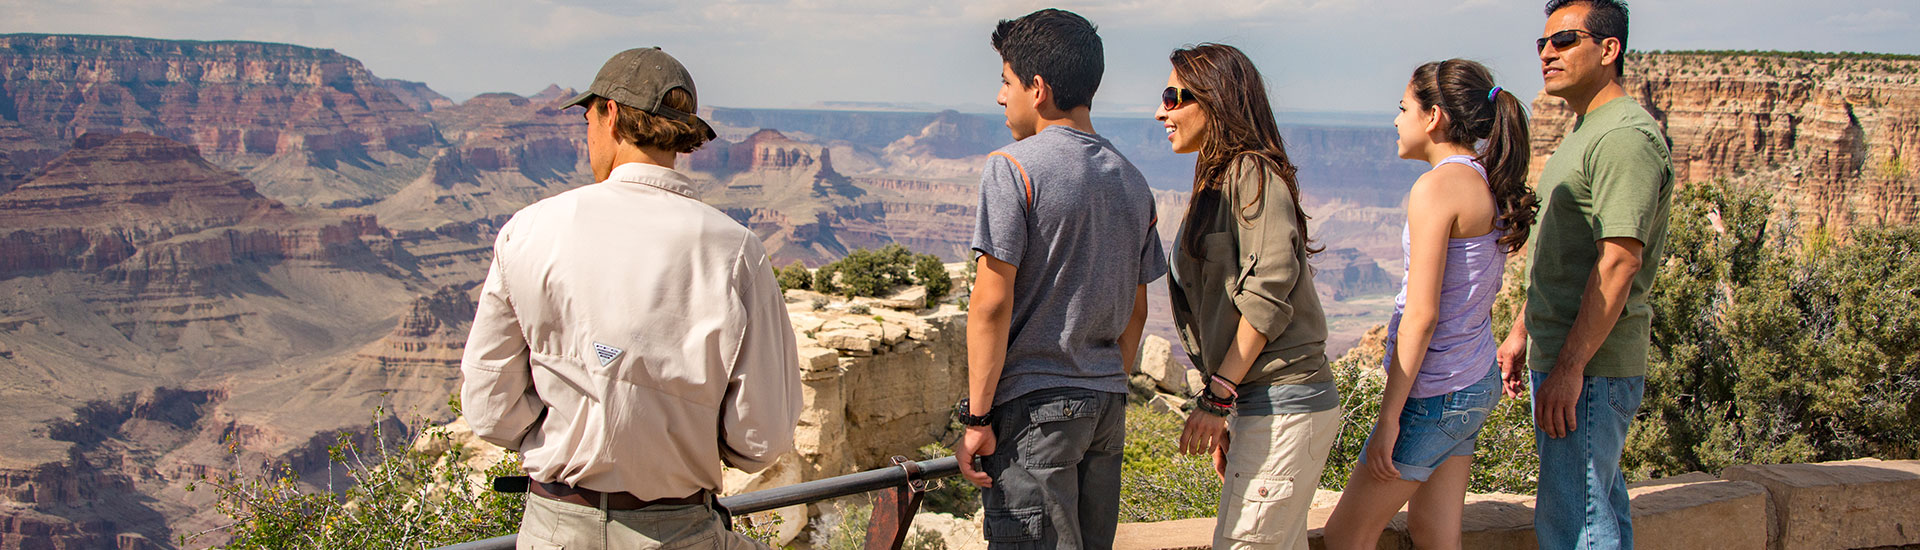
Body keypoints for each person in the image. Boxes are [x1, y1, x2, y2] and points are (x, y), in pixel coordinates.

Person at [459, 47, 801, 550]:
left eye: (587, 118)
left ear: (611, 113)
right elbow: (761, 438)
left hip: (555, 528)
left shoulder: (530, 230)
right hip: (680, 530)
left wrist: (571, 432)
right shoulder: (736, 253)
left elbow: (489, 409)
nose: (588, 135)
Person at [953, 8, 1168, 549]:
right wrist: (1101, 382)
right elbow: (1136, 310)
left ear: (1038, 87)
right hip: (1105, 406)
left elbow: (991, 305)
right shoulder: (1133, 180)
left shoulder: (1013, 167)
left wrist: (977, 417)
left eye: (1006, 82)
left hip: (1036, 412)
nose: (1001, 97)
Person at [1321, 59, 1537, 550]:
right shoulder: (1485, 178)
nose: (1396, 120)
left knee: (1344, 537)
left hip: (1436, 392)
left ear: (1434, 116)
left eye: (1403, 108)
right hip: (1473, 380)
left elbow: (1422, 314)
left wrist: (1389, 416)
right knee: (1436, 536)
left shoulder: (1437, 187)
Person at [1501, 1, 1675, 548]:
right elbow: (1565, 257)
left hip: (1591, 369)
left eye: (1565, 40)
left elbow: (1619, 261)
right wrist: (1521, 331)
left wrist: (1571, 367)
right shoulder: (1587, 131)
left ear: (1608, 49)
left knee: (1575, 525)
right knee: (1593, 507)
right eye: (1543, 43)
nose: (1548, 53)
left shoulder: (1623, 137)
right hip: (1568, 359)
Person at [1154, 43, 1339, 549]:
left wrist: (1218, 397)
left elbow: (1269, 288)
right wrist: (1232, 409)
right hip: (1261, 405)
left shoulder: (1251, 173)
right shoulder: (1217, 179)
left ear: (1214, 99)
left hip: (1284, 403)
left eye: (1174, 97)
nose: (1161, 111)